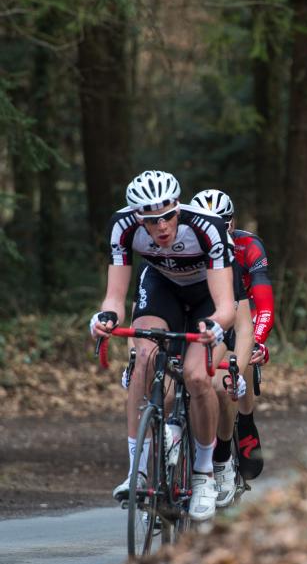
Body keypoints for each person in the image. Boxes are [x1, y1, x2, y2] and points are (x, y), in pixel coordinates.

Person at [89, 170, 236, 522]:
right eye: (152, 220)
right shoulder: (122, 226)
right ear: (138, 217)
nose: (162, 226)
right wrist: (104, 318)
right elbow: (114, 298)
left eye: (169, 216)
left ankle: (203, 474)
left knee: (197, 376)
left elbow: (226, 307)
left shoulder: (207, 227)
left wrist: (215, 327)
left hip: (207, 295)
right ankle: (137, 471)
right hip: (162, 286)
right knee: (144, 356)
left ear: (178, 207)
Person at [190, 189, 275, 502]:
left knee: (241, 357)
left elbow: (264, 304)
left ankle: (245, 423)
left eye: (223, 223)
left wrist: (258, 340)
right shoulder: (186, 248)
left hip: (241, 312)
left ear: (233, 223)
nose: (217, 230)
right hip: (204, 314)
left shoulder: (248, 246)